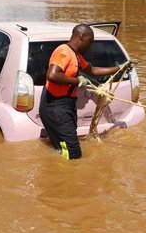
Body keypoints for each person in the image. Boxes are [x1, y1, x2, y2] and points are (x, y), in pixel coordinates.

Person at [39, 24, 124, 160]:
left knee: (63, 148)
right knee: (73, 154)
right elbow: (52, 75)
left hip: (65, 106)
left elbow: (92, 70)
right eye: (90, 42)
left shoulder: (76, 56)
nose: (90, 46)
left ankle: (59, 169)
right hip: (55, 107)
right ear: (81, 36)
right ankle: (66, 177)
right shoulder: (64, 52)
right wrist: (78, 81)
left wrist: (119, 68)